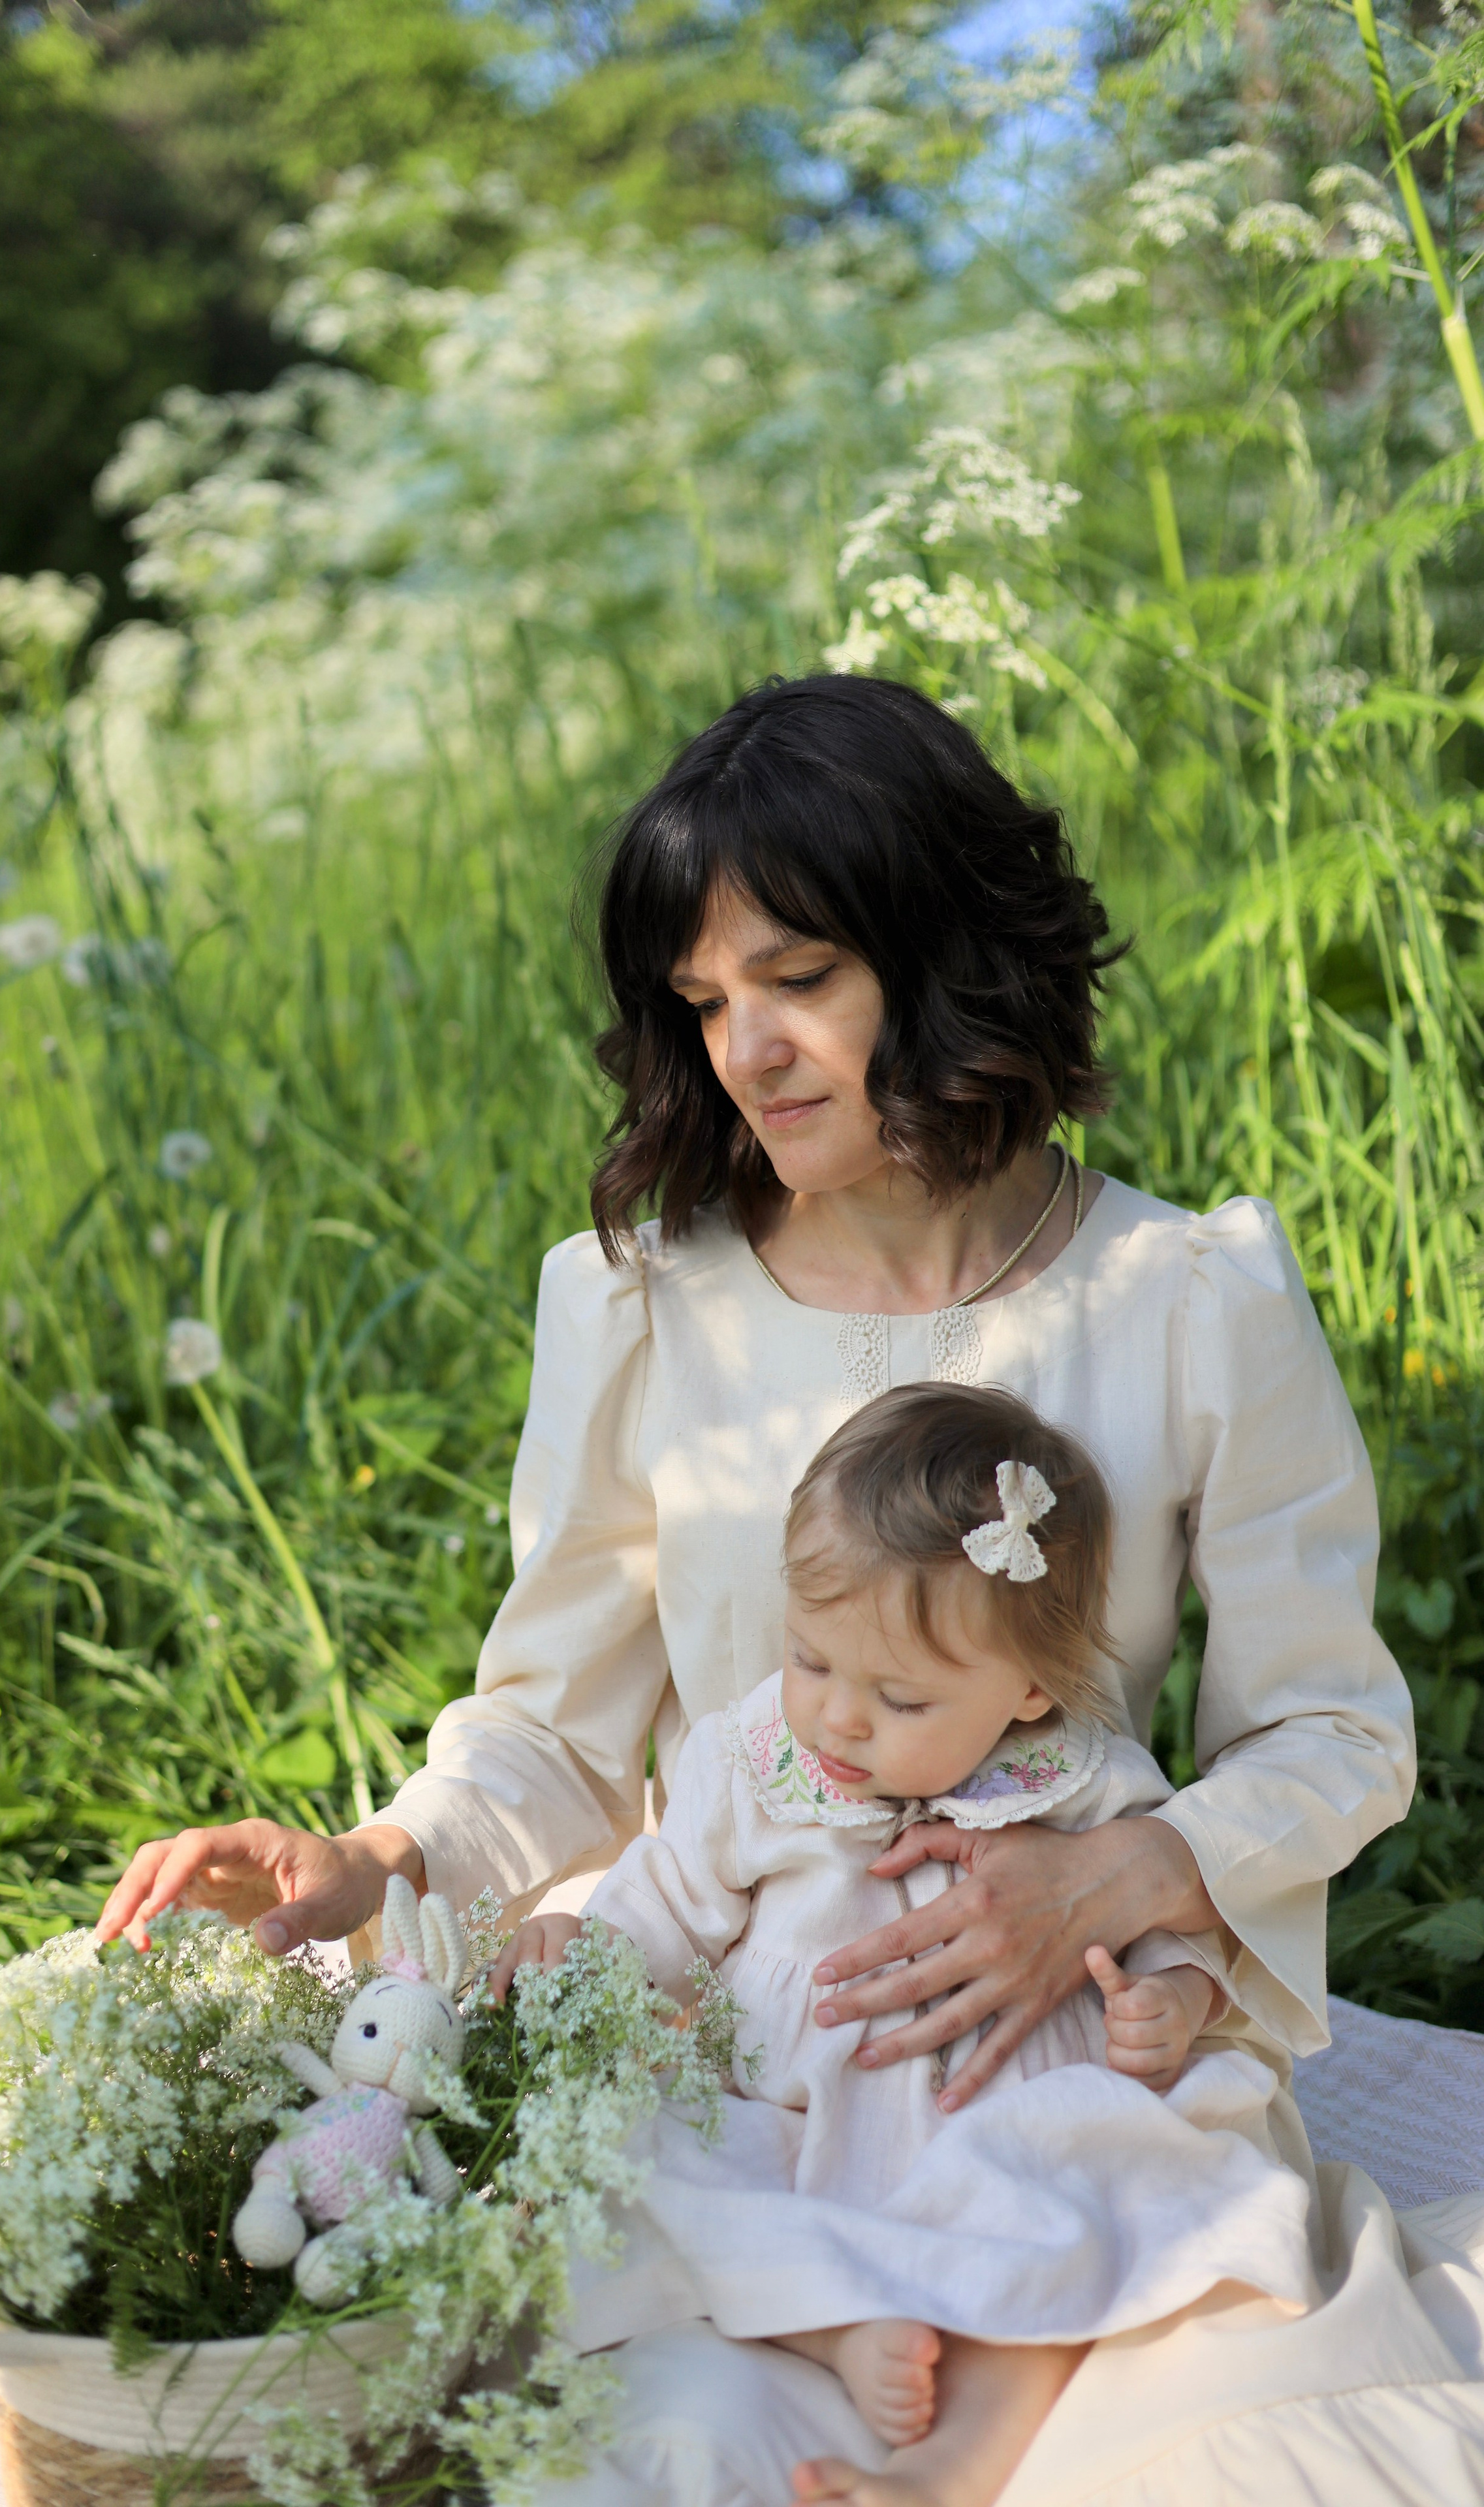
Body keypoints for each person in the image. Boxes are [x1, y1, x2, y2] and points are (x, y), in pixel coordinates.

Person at [101, 678, 1484, 2504]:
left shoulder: (1192, 1300)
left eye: (800, 977)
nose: (745, 1049)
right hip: (752, 2062)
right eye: (703, 1002)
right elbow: (556, 1727)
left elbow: (1329, 1729)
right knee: (650, 2448)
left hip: (1068, 2058)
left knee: (1211, 2454)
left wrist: (1118, 1879)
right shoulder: (639, 1305)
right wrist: (385, 1865)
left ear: (948, 950)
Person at [490, 1381, 1314, 2507]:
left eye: (902, 1699)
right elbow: (668, 1899)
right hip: (805, 2118)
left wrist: (1170, 2000)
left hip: (1005, 2119)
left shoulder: (1078, 1779)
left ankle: (953, 2464)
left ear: (1028, 1692)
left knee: (1086, 2219)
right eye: (812, 1659)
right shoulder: (754, 1763)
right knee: (650, 2169)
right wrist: (586, 1953)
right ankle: (835, 2325)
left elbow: (1157, 1909)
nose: (839, 1718)